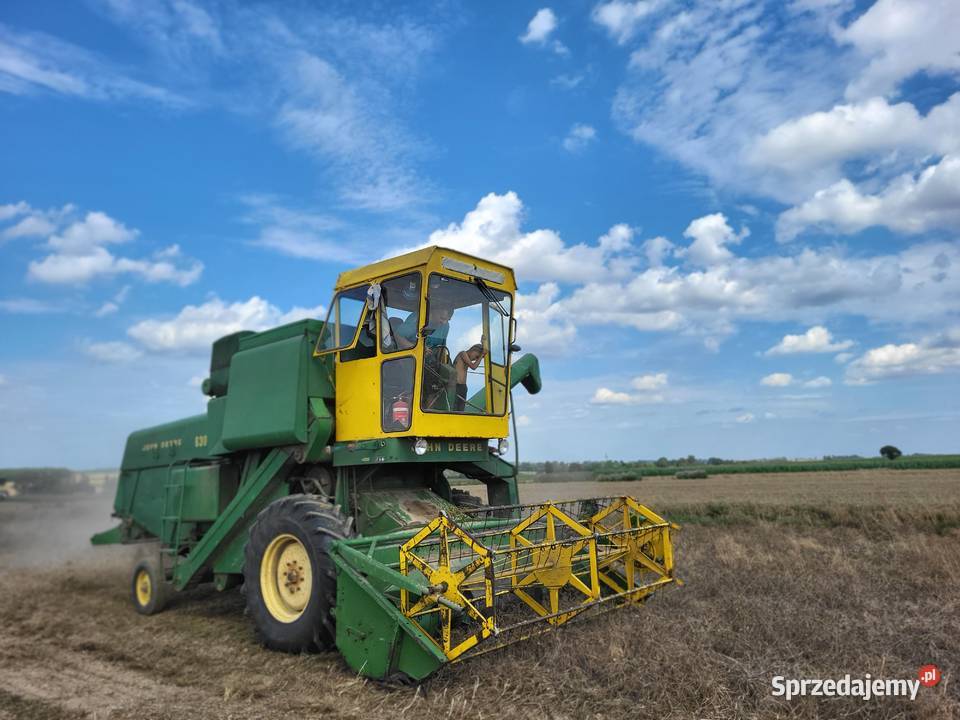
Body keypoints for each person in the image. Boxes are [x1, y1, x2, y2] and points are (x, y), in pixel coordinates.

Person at [453, 344, 484, 411]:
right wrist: (481, 355)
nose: (475, 359)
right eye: (476, 356)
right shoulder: (463, 354)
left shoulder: (468, 359)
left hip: (463, 387)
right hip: (456, 386)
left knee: (461, 411)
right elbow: (473, 367)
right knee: (454, 409)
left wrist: (483, 342)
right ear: (473, 349)